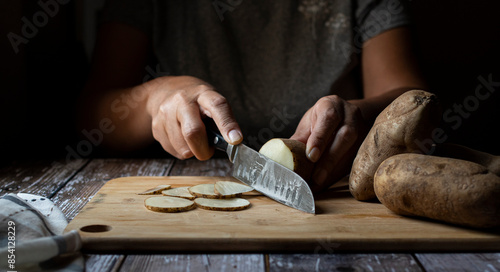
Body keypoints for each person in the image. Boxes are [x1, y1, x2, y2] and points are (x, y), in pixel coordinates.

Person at [78, 0, 427, 192]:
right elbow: (90, 116)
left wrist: (357, 114)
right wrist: (154, 98)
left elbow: (415, 99)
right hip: (183, 178)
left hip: (331, 182)